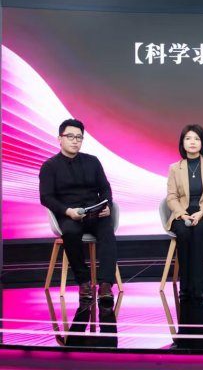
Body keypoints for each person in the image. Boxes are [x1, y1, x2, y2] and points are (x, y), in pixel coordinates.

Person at [39, 118, 117, 301]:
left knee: (107, 230)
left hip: (95, 213)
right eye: (70, 136)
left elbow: (105, 188)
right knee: (70, 233)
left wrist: (107, 205)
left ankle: (105, 284)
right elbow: (46, 197)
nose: (75, 141)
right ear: (60, 139)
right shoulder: (49, 166)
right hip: (69, 214)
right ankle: (84, 282)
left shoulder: (93, 161)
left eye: (79, 137)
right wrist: (67, 211)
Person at [166, 124, 203, 299]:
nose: (192, 142)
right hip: (183, 212)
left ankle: (200, 287)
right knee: (184, 233)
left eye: (197, 139)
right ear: (182, 143)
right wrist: (182, 214)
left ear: (202, 143)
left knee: (199, 232)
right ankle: (185, 287)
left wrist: (202, 212)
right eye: (188, 138)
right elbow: (171, 197)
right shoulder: (175, 168)